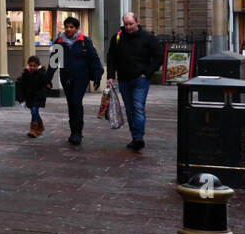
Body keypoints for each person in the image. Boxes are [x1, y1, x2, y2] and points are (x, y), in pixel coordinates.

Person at [106, 11, 163, 151]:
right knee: (130, 109)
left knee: (138, 107)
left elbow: (159, 56)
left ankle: (139, 137)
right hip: (124, 79)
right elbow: (111, 57)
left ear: (137, 22)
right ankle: (134, 137)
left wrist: (147, 73)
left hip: (140, 79)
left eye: (131, 24)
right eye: (125, 24)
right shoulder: (118, 38)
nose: (128, 27)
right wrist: (111, 75)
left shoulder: (148, 37)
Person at [51, 16, 102, 146]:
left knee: (76, 101)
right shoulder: (59, 42)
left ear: (77, 28)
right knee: (71, 104)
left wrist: (97, 75)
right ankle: (73, 130)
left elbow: (94, 59)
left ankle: (77, 132)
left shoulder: (84, 41)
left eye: (71, 27)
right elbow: (53, 63)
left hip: (81, 77)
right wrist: (47, 79)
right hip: (66, 77)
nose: (68, 29)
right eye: (66, 27)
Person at [16, 55, 51, 138]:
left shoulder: (41, 74)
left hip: (38, 97)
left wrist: (46, 90)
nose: (32, 68)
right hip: (29, 97)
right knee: (34, 112)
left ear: (38, 65)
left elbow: (47, 83)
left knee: (34, 111)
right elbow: (21, 86)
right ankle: (40, 126)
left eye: (34, 66)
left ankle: (33, 129)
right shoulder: (26, 74)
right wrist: (21, 98)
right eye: (30, 65)